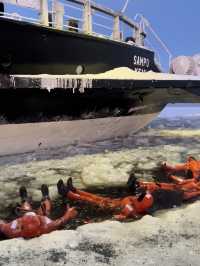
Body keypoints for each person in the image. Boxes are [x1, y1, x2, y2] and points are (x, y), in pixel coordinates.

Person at [0, 185, 77, 239]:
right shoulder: (47, 227)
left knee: (26, 208)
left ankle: (25, 200)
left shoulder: (11, 231)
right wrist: (68, 213)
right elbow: (61, 220)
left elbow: (2, 225)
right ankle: (46, 198)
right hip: (38, 219)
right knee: (46, 210)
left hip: (25, 217)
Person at [57, 178, 154, 221]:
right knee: (95, 197)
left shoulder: (132, 211)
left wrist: (120, 217)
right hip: (114, 203)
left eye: (140, 197)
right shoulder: (140, 202)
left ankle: (68, 193)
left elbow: (122, 216)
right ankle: (74, 189)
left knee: (90, 200)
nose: (138, 196)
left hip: (109, 207)